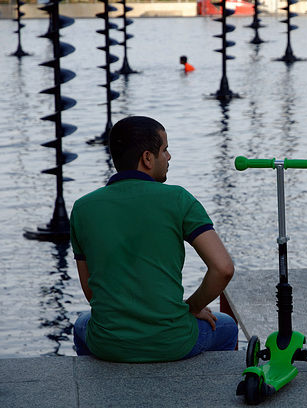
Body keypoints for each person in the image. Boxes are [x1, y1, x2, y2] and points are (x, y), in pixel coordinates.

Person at [70, 116, 237, 362]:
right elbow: (223, 268)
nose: (168, 157)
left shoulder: (82, 208)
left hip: (109, 344)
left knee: (81, 324)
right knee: (225, 325)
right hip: (173, 342)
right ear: (147, 158)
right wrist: (190, 308)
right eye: (164, 150)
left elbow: (92, 293)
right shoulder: (179, 199)